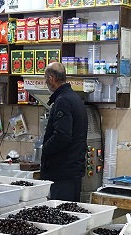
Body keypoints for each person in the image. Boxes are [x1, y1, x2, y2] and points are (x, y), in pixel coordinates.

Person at [41, 62, 88, 202]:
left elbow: (62, 136)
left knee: (60, 215)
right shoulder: (75, 98)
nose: (46, 82)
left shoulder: (63, 101)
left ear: (51, 78)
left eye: (45, 79)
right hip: (72, 169)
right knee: (71, 214)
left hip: (62, 171)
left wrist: (45, 149)